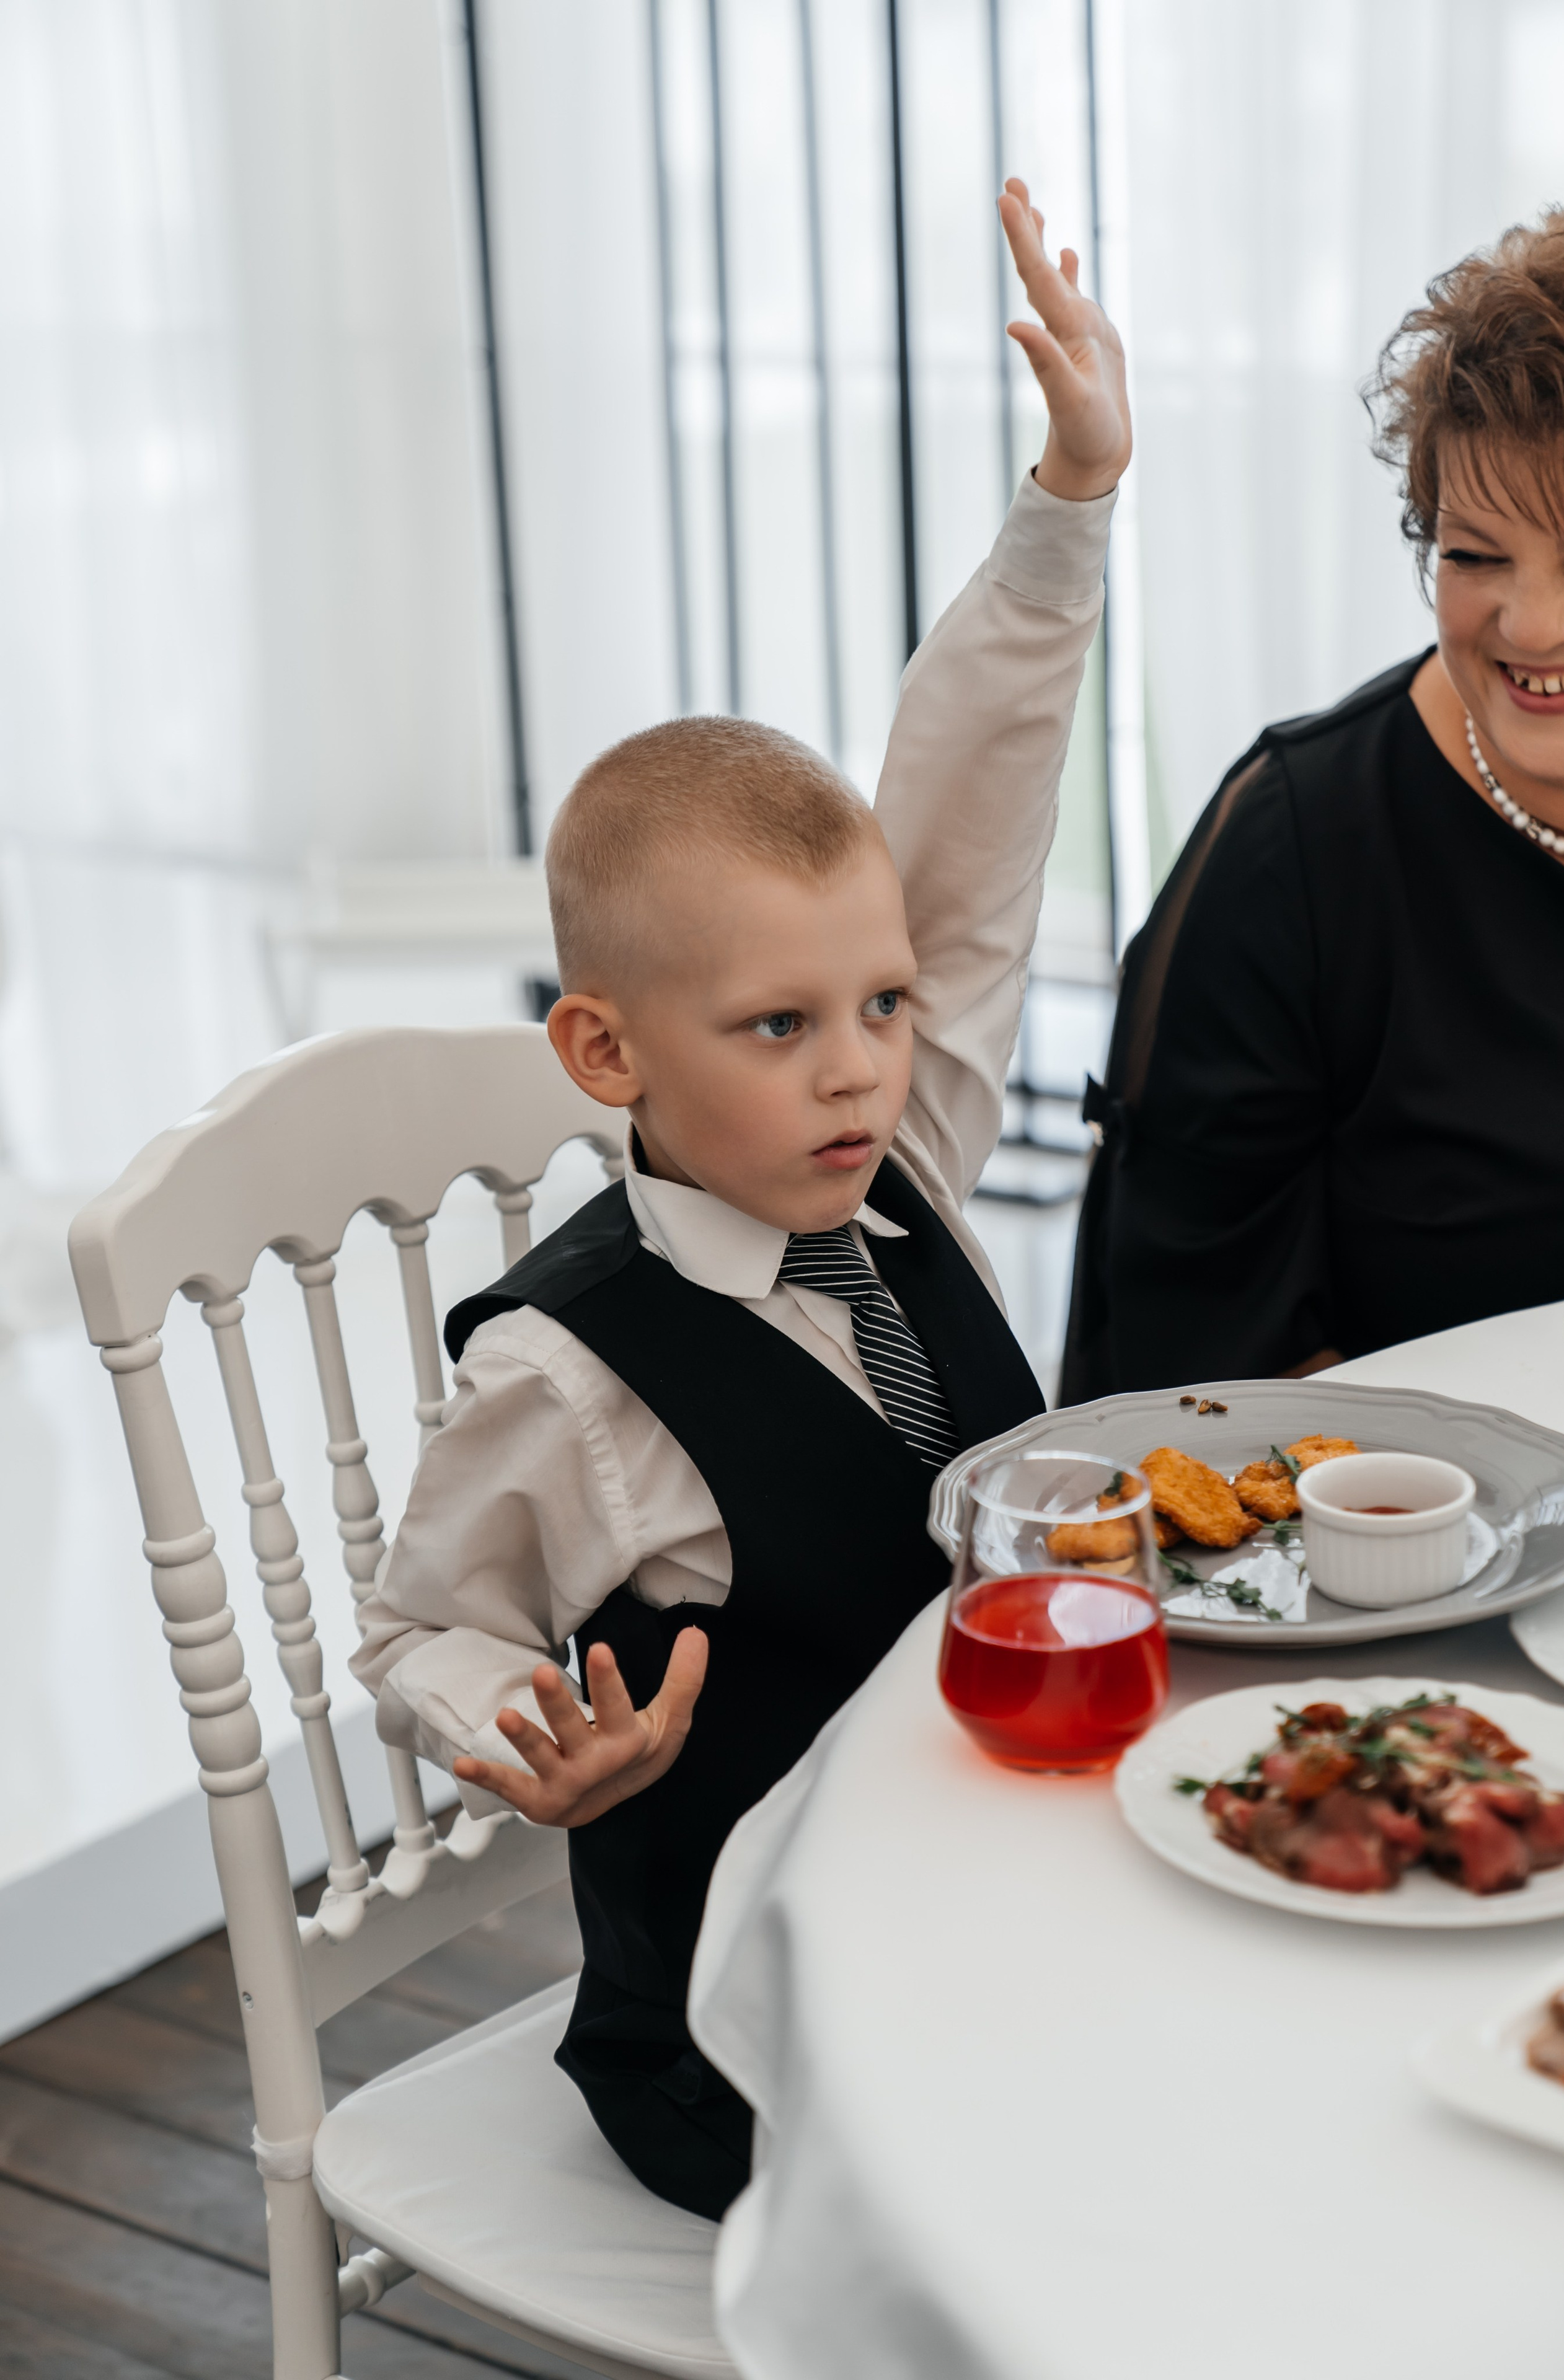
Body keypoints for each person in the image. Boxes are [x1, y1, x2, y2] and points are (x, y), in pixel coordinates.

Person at [351, 181, 1131, 2221]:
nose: (863, 1064)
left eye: (881, 1007)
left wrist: (1067, 503)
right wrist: (523, 1733)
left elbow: (960, 835)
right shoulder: (569, 1373)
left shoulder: (906, 1176)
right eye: (780, 1025)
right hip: (751, 2035)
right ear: (610, 1057)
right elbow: (430, 1617)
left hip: (976, 1928)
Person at [1064, 203, 1564, 1403]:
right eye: (1471, 556)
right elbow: (1189, 1355)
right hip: (1415, 1544)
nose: (1530, 625)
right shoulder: (1295, 845)